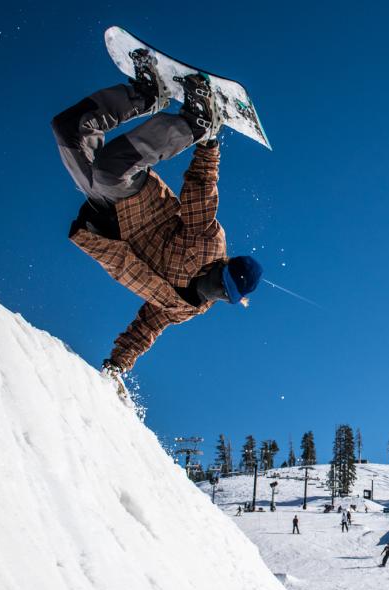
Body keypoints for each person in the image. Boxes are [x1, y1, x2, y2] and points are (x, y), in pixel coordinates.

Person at [51, 52, 263, 376]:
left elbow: (145, 328)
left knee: (68, 129)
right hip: (138, 204)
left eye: (226, 295)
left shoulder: (182, 309)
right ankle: (197, 123)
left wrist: (118, 365)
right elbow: (200, 188)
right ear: (223, 266)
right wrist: (208, 146)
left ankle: (147, 95)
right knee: (109, 170)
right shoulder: (208, 243)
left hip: (104, 223)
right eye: (223, 281)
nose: (217, 291)